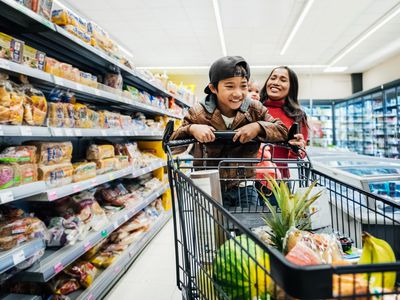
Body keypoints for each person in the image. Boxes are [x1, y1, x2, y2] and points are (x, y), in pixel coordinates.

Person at [170, 56, 288, 208]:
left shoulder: (255, 110)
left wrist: (258, 126)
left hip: (245, 184)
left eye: (243, 86)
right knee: (213, 230)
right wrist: (192, 129)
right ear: (213, 88)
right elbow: (172, 146)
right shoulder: (198, 113)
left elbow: (282, 130)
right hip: (209, 185)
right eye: (230, 86)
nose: (238, 93)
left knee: (247, 228)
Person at [259, 66, 309, 178]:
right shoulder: (253, 108)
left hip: (279, 180)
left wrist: (296, 149)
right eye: (273, 78)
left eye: (283, 80)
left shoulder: (297, 115)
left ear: (291, 87)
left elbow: (298, 155)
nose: (276, 82)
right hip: (249, 177)